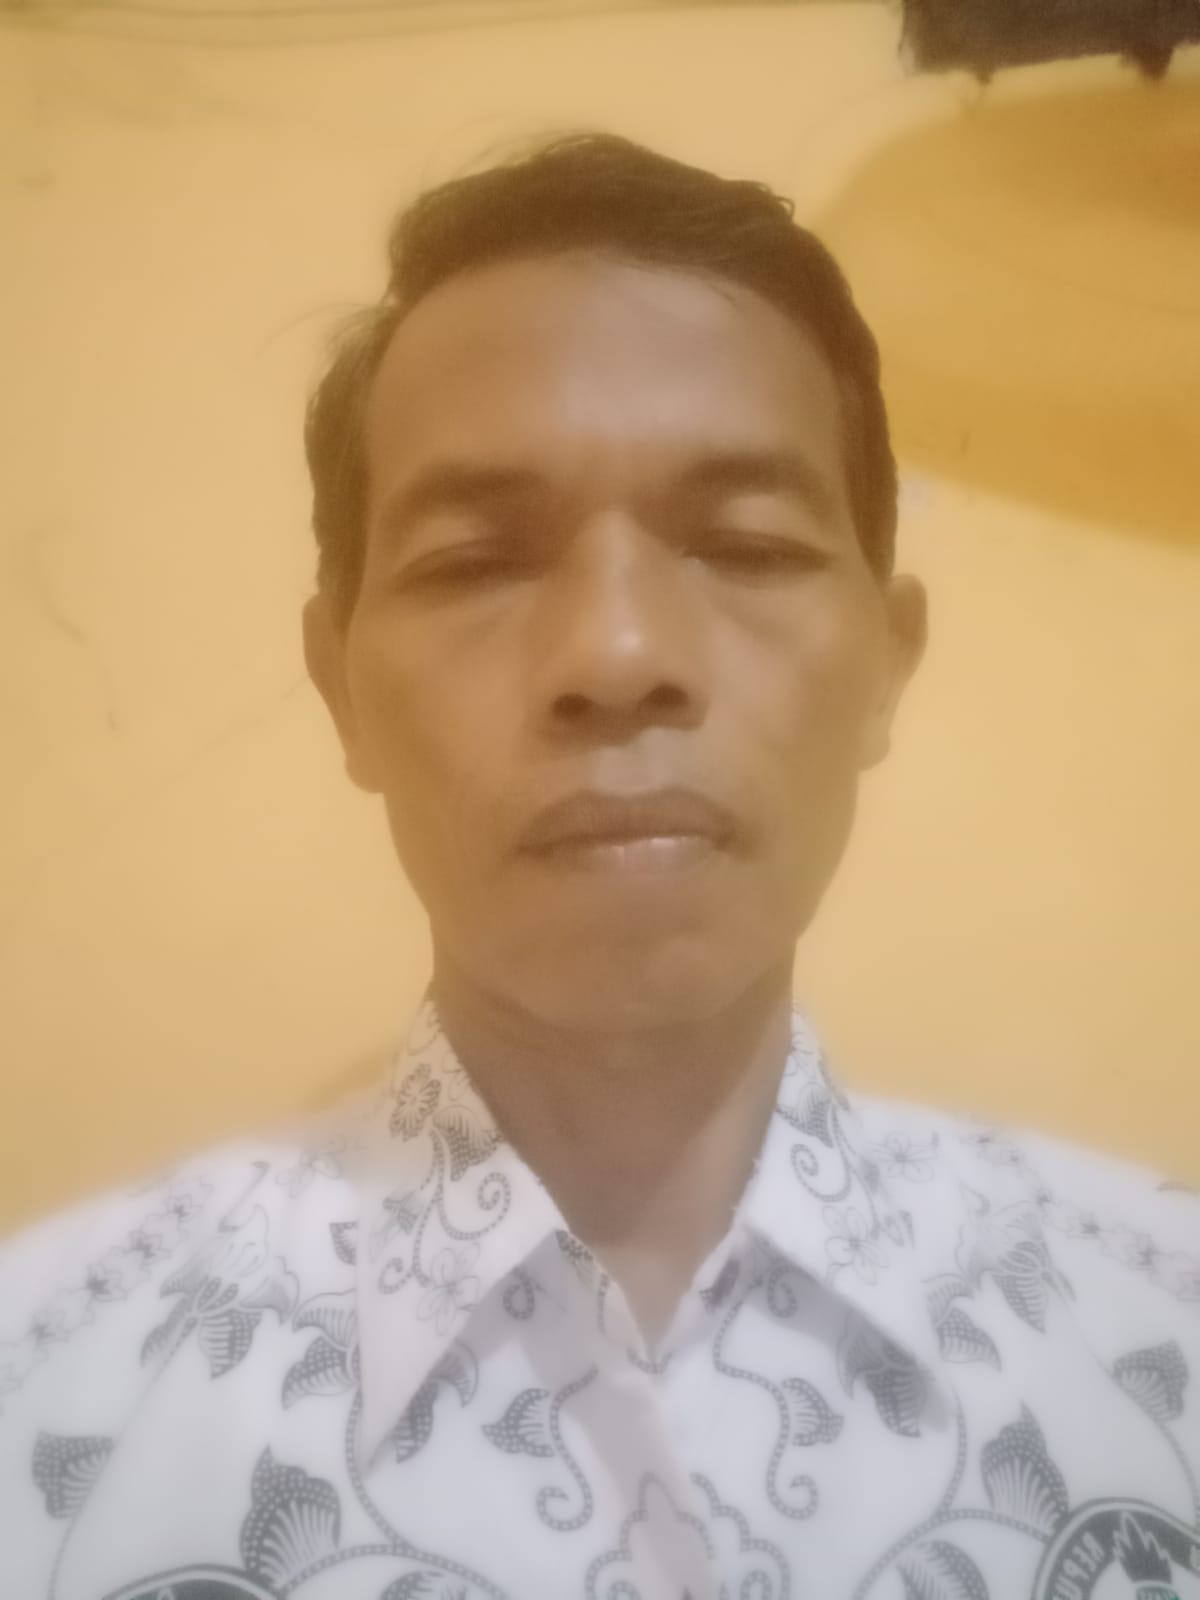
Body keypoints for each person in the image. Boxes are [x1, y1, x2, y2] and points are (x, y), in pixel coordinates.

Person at [1, 133, 1196, 1600]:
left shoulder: (1165, 1337)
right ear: (341, 691)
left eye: (745, 545)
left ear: (888, 667)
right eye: (476, 562)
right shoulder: (41, 1398)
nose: (618, 655)